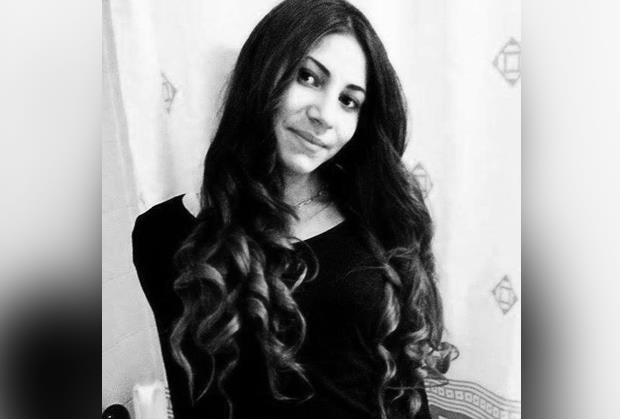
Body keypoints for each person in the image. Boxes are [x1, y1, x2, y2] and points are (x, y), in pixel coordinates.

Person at [132, 0, 457, 418]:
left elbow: (404, 389)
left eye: (349, 101)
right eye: (308, 77)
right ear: (261, 72)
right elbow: (193, 392)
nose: (325, 115)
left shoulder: (378, 219)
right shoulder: (160, 235)